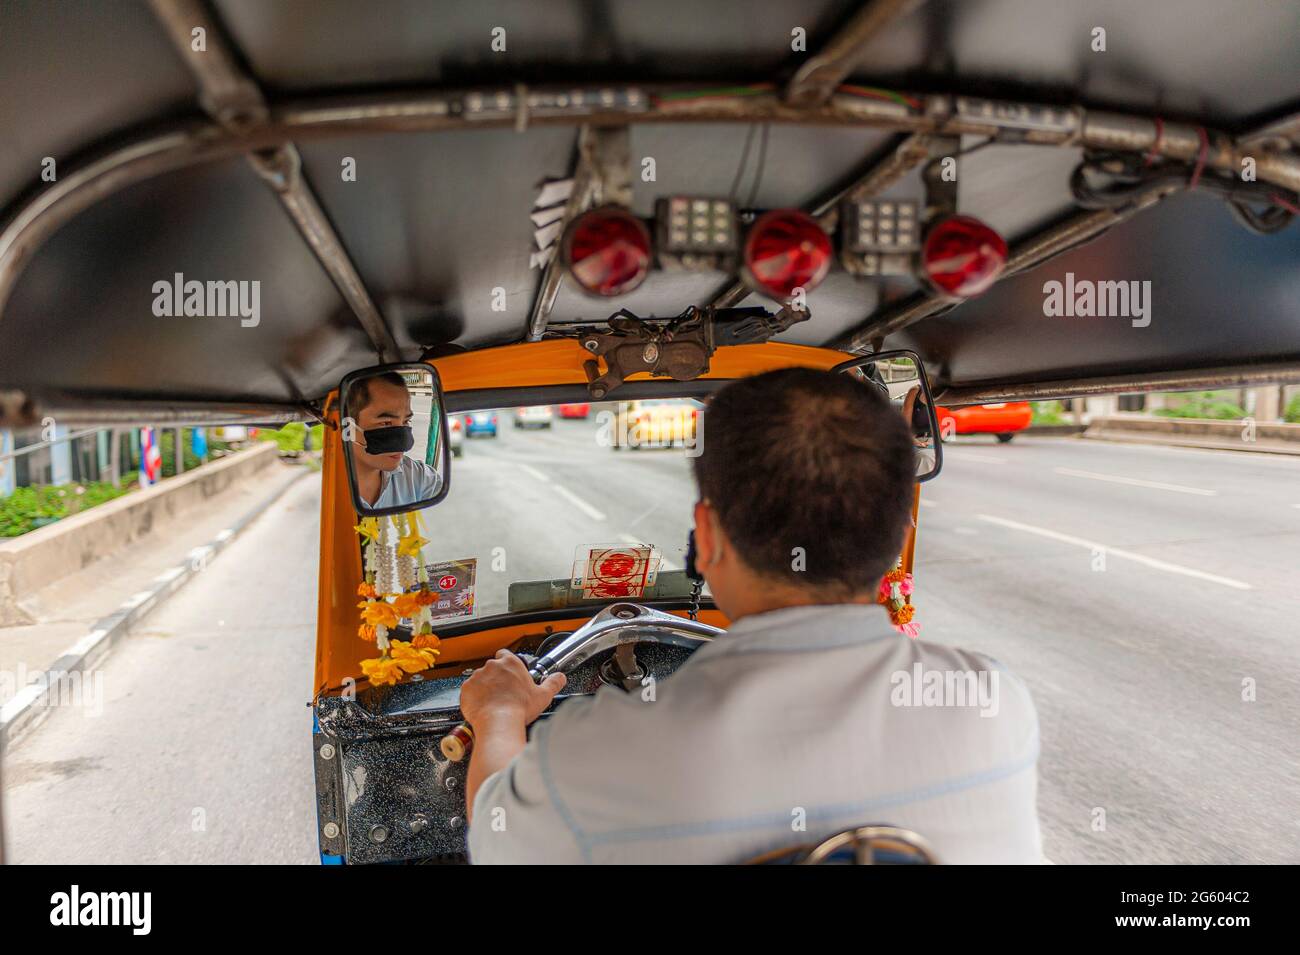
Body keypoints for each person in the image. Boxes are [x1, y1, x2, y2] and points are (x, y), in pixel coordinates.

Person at [460, 367, 1042, 864]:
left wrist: (500, 716)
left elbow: (494, 831)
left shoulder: (596, 754)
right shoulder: (992, 701)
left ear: (706, 535)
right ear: (894, 540)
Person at [349, 372, 442, 510]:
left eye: (406, 421)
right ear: (348, 429)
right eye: (386, 423)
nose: (403, 442)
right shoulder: (329, 490)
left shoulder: (417, 478)